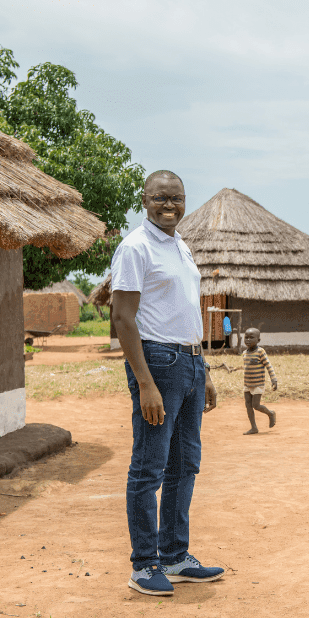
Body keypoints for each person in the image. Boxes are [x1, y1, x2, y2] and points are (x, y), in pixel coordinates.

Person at [111, 170, 224, 596]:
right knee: (150, 467)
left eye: (176, 198)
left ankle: (175, 556)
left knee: (185, 465)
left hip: (190, 363)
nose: (169, 205)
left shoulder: (181, 246)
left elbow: (184, 312)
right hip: (157, 362)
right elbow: (122, 318)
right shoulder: (135, 248)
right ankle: (144, 564)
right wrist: (145, 383)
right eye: (160, 198)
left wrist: (204, 370)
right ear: (144, 199)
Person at [241, 327, 278, 435]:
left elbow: (268, 366)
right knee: (248, 405)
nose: (248, 340)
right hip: (247, 384)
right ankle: (254, 427)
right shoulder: (244, 353)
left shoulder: (260, 352)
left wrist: (274, 379)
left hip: (258, 384)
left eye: (251, 338)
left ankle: (270, 413)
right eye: (246, 337)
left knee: (256, 405)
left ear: (258, 340)